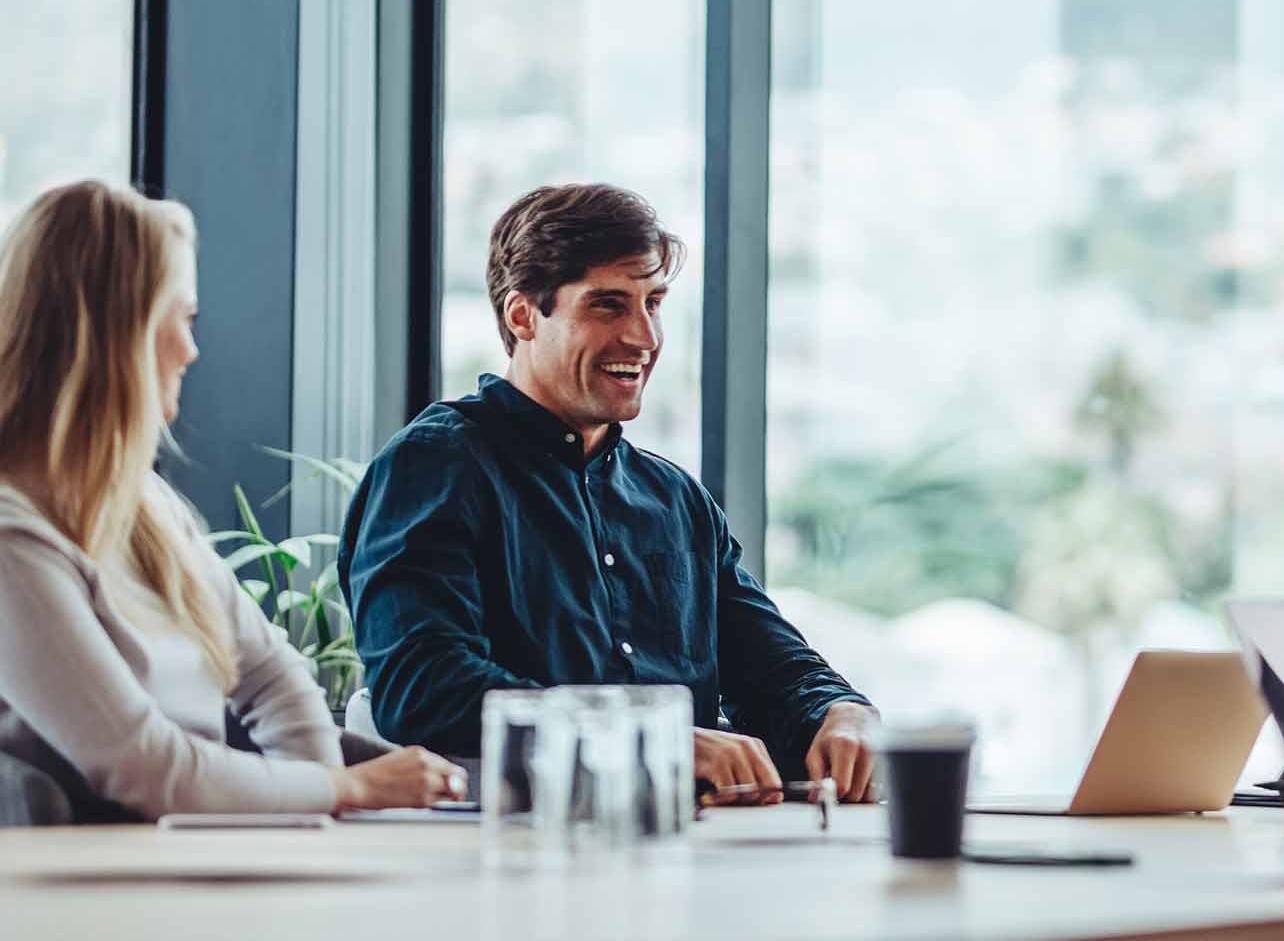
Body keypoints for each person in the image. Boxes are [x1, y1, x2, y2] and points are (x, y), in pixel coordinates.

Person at [340, 183, 879, 804]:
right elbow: (425, 689)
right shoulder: (434, 467)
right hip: (506, 855)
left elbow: (772, 665)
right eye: (608, 306)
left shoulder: (675, 499)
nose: (644, 338)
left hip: (693, 850)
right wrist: (652, 740)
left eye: (653, 303)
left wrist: (840, 710)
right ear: (523, 316)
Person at [0, 180, 465, 819]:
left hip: (188, 859)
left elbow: (271, 675)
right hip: (98, 893)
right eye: (182, 319)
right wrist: (345, 789)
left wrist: (316, 810)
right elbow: (141, 764)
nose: (191, 350)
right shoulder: (13, 542)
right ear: (118, 334)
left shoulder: (144, 506)